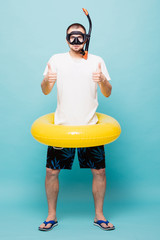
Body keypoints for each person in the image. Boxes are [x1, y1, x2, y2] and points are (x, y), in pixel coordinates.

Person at [38, 22, 115, 231]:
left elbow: (107, 92)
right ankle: (51, 215)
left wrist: (102, 81)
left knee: (99, 172)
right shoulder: (56, 60)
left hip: (91, 128)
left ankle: (99, 215)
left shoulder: (97, 61)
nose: (75, 41)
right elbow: (45, 90)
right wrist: (47, 80)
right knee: (51, 172)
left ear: (86, 38)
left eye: (80, 36)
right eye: (71, 37)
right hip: (62, 128)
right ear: (66, 39)